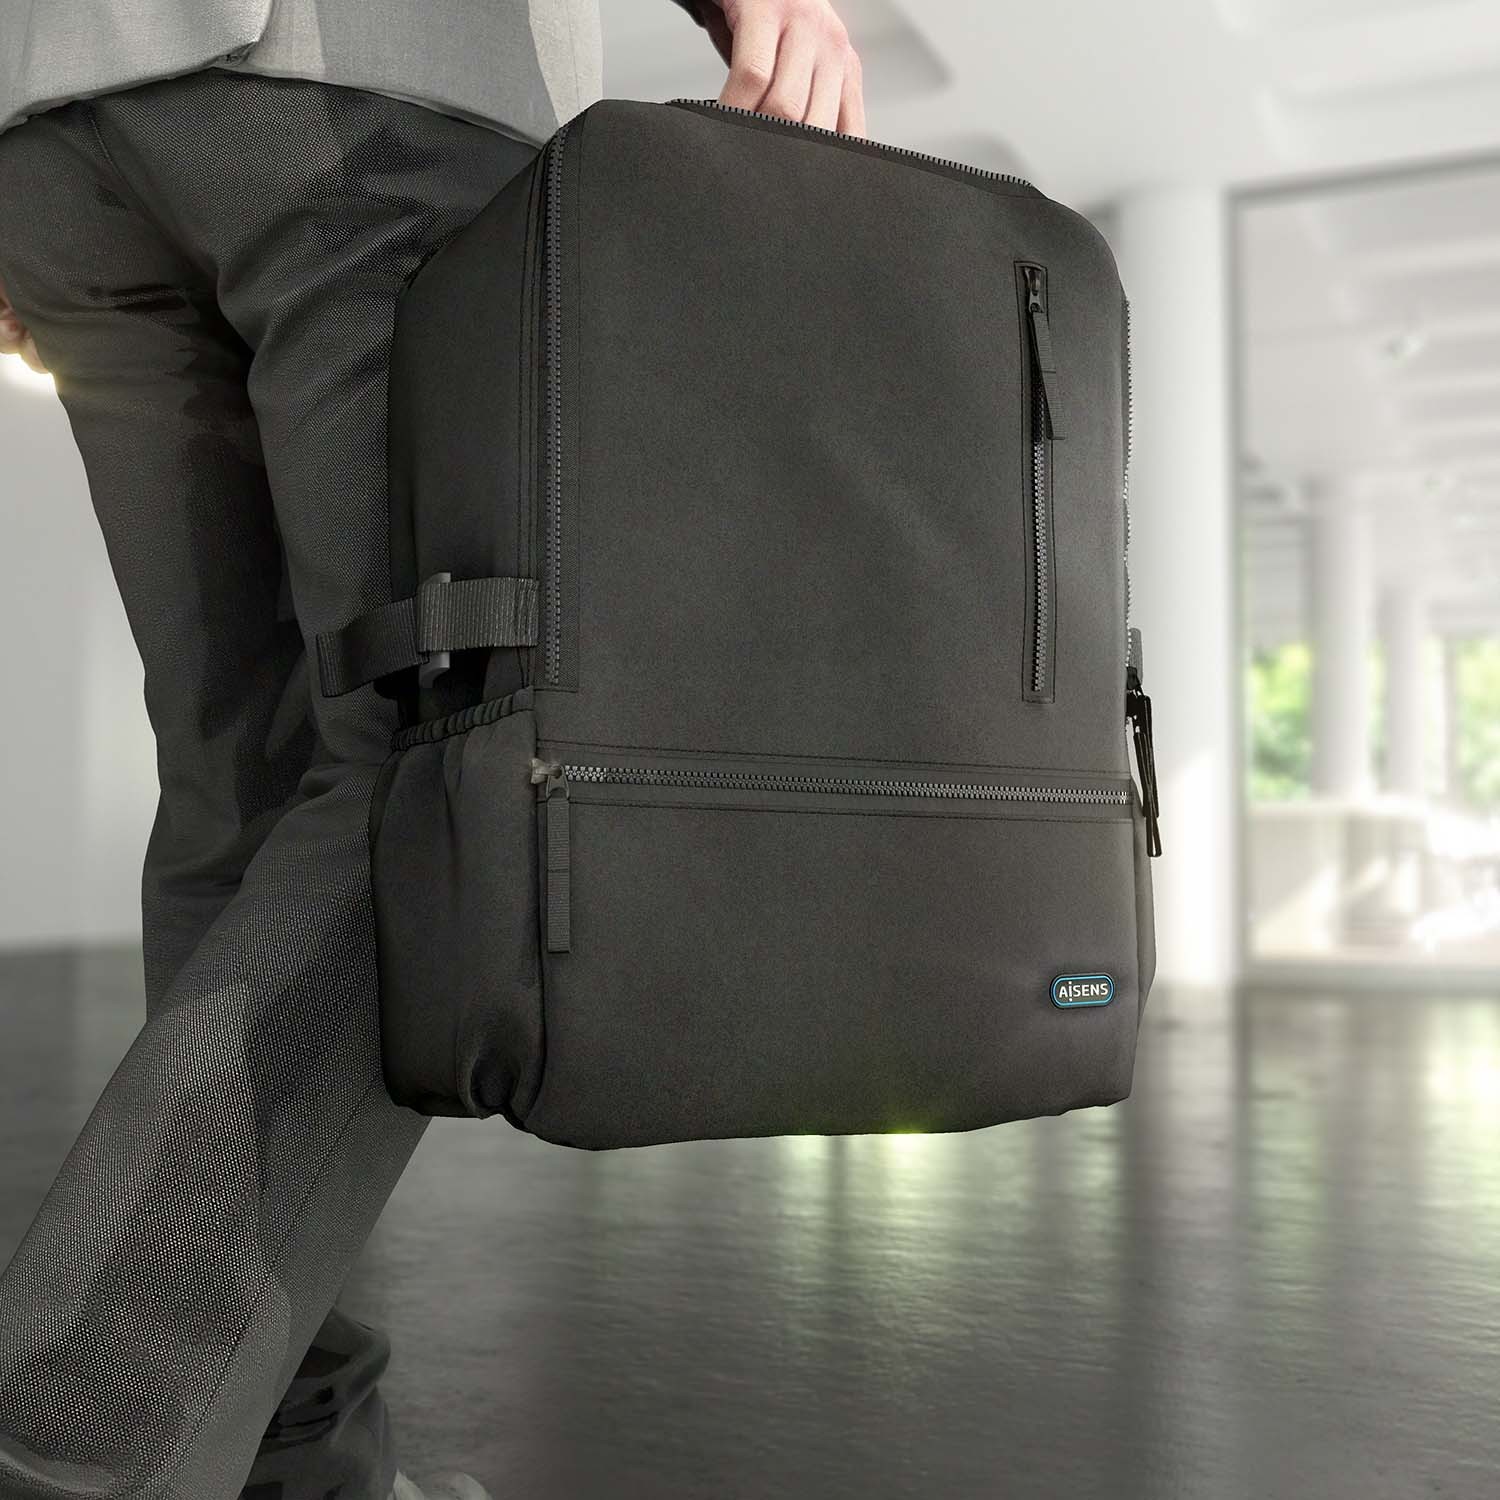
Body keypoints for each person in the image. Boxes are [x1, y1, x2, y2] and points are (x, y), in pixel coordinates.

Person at [0, 3, 864, 1498]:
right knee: (433, 770)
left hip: (60, 124)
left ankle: (288, 1462)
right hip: (373, 80)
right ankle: (87, 1442)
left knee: (247, 786)